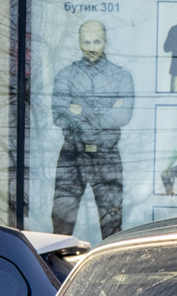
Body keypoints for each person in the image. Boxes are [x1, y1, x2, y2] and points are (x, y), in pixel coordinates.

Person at [52, 20, 135, 238]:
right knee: (61, 222)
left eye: (97, 41)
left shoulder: (121, 76)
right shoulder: (65, 75)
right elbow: (59, 115)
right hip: (72, 154)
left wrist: (80, 110)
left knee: (112, 225)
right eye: (86, 42)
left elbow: (123, 115)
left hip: (107, 155)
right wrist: (105, 110)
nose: (91, 47)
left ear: (105, 42)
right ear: (79, 43)